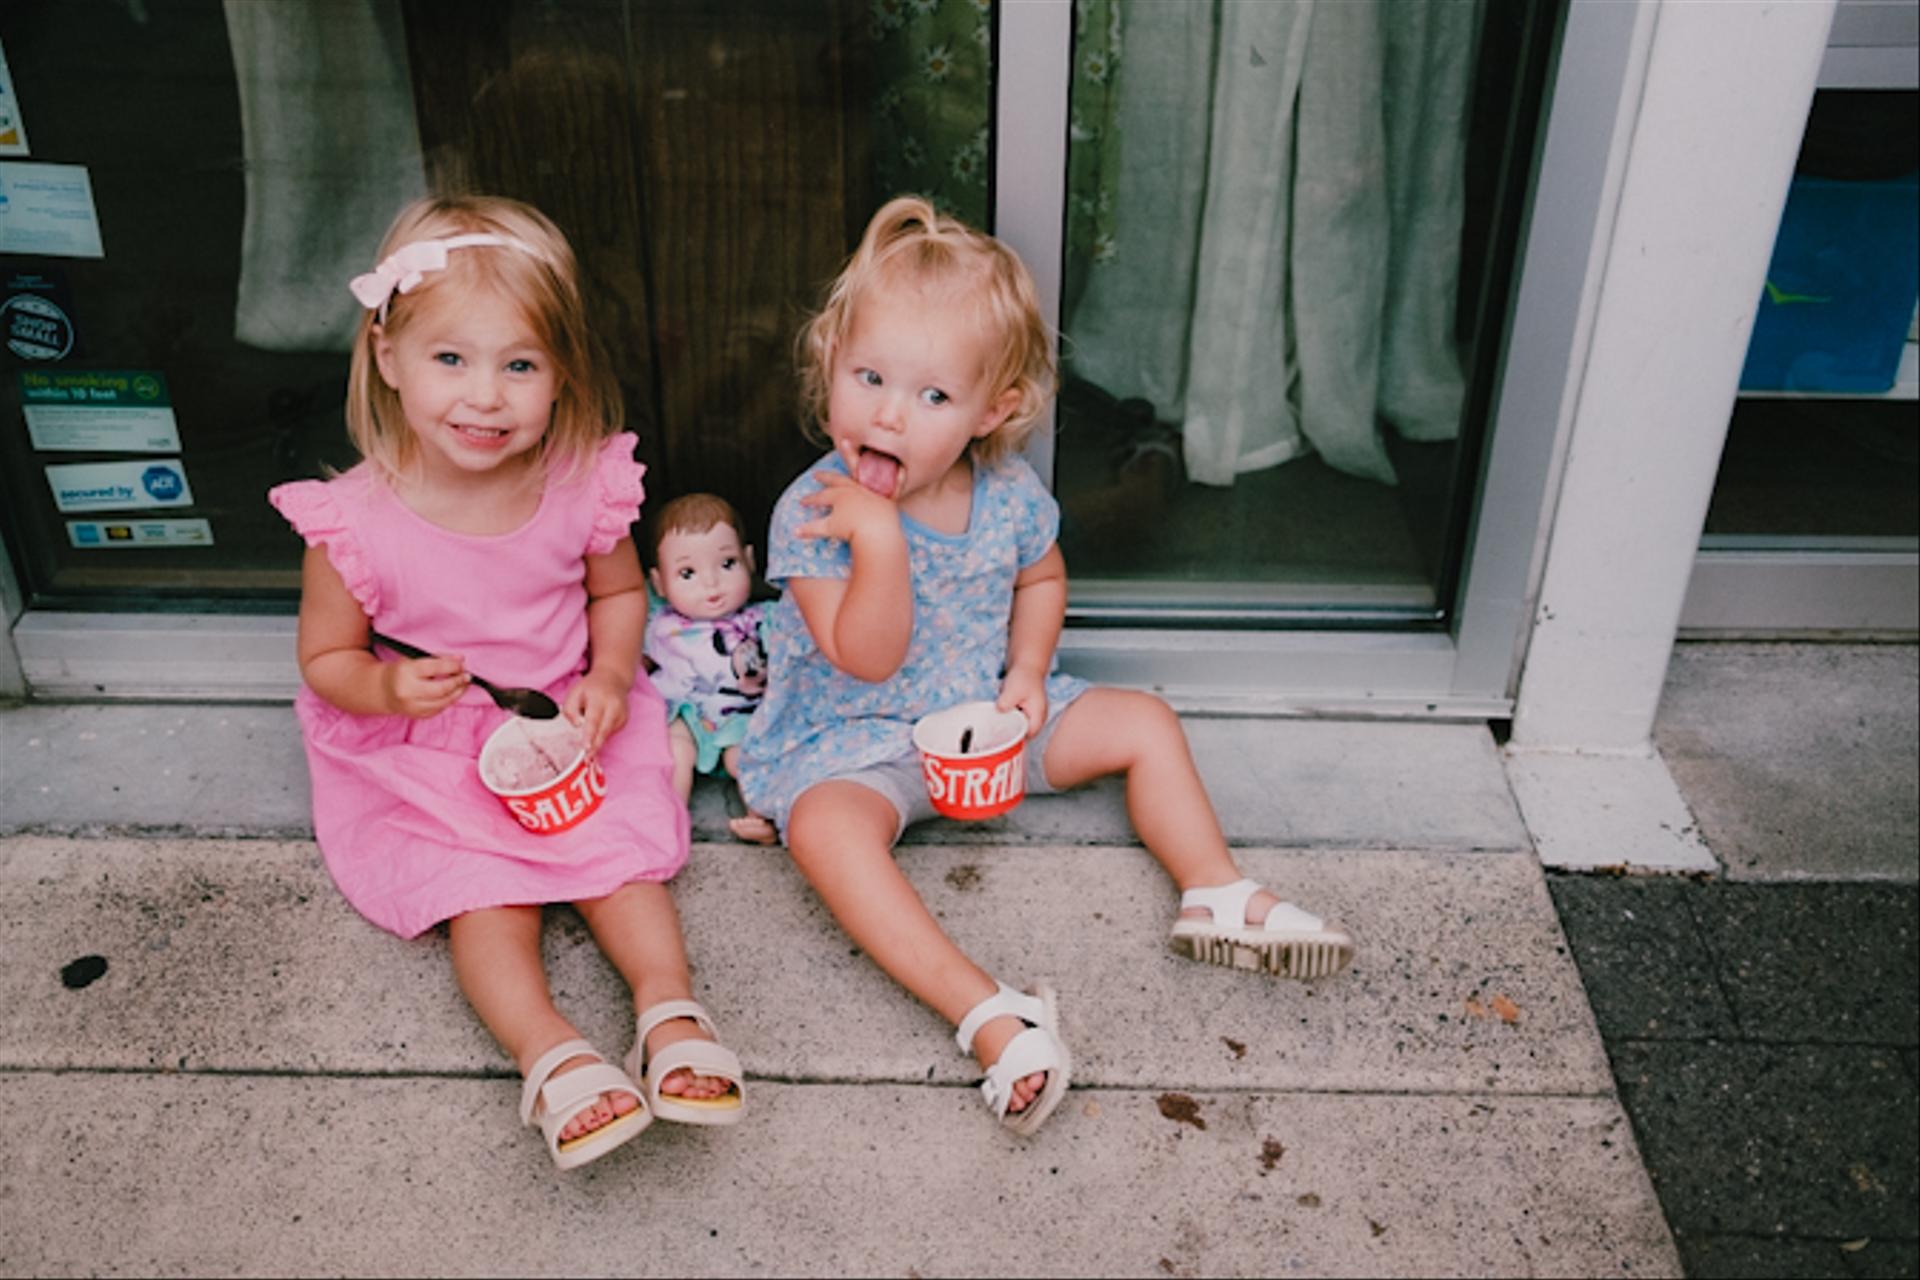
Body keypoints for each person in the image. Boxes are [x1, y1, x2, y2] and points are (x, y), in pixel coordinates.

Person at [738, 195, 1354, 1138]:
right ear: (830, 364)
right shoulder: (817, 511)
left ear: (998, 409)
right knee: (825, 833)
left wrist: (1028, 671)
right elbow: (866, 656)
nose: (890, 415)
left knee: (1144, 722)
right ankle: (988, 1011)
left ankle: (1216, 891)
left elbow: (1042, 576)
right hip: (859, 740)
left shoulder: (1009, 495)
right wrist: (883, 545)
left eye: (933, 396)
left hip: (988, 717)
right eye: (868, 378)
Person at [268, 195, 744, 1171]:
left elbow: (616, 595)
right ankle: (552, 1051)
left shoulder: (579, 484)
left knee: (620, 862)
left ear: (561, 372)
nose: (485, 396)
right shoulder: (353, 522)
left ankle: (668, 1009)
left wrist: (613, 672)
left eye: (519, 364)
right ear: (389, 356)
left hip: (564, 707)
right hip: (433, 739)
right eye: (452, 359)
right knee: (482, 894)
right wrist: (388, 691)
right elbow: (326, 661)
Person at [643, 492, 777, 843]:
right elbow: (629, 656)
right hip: (686, 715)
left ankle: (761, 817)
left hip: (741, 717)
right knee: (674, 753)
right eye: (687, 572)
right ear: (659, 583)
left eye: (727, 563)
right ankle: (669, 821)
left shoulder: (765, 619)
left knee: (745, 759)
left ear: (749, 560)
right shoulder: (658, 625)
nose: (711, 583)